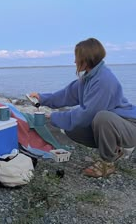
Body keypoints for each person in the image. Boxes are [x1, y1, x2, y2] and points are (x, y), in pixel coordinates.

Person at [29, 38, 136, 178]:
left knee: (102, 117)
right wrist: (42, 98)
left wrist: (54, 117)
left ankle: (107, 162)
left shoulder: (104, 80)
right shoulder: (88, 78)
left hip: (129, 126)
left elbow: (89, 114)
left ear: (86, 59)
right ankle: (115, 149)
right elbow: (65, 95)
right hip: (114, 126)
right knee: (72, 129)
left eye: (77, 58)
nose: (75, 62)